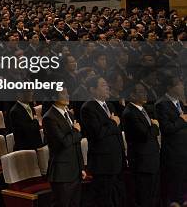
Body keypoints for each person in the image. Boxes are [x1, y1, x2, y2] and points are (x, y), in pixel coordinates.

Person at [80, 76, 125, 207]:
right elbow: (98, 133)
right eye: (103, 85)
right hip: (102, 163)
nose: (107, 87)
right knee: (104, 200)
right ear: (92, 89)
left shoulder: (110, 105)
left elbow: (117, 131)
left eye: (107, 84)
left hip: (116, 160)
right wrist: (113, 122)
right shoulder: (88, 107)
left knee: (117, 198)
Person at [42, 88, 85, 207]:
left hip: (75, 171)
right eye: (63, 93)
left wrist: (81, 167)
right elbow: (64, 142)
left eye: (67, 92)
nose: (67, 95)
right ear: (54, 97)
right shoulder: (49, 117)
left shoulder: (69, 114)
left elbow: (76, 144)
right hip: (61, 173)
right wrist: (76, 130)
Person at [122, 83, 160, 207]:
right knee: (143, 197)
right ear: (132, 95)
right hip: (142, 163)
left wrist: (153, 128)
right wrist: (154, 126)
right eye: (140, 91)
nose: (145, 94)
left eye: (145, 91)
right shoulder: (130, 113)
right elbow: (145, 135)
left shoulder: (144, 110)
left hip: (151, 160)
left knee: (153, 196)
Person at [155, 76, 187, 205]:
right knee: (175, 185)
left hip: (183, 150)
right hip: (173, 153)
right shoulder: (161, 104)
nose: (182, 86)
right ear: (169, 88)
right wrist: (182, 120)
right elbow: (167, 128)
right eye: (178, 84)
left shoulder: (180, 102)